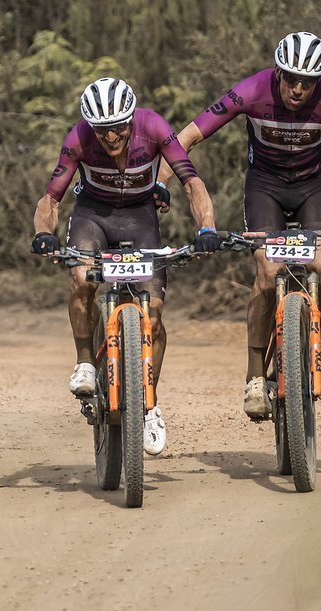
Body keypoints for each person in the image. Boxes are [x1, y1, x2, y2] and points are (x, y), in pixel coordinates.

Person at [158, 31, 321, 419]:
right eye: (291, 79)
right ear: (277, 72)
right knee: (267, 274)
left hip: (312, 187)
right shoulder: (252, 90)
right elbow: (189, 136)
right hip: (264, 186)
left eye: (307, 82)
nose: (298, 89)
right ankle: (252, 378)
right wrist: (158, 185)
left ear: (319, 82)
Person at [31, 77, 221, 456]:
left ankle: (148, 403)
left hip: (140, 217)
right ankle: (85, 361)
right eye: (102, 130)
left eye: (118, 127)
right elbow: (51, 199)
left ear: (131, 119)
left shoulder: (153, 128)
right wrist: (43, 234)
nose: (111, 137)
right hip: (93, 217)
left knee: (153, 314)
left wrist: (207, 228)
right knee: (83, 278)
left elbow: (191, 182)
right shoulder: (78, 138)